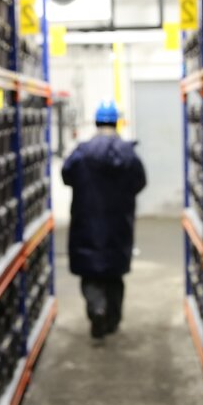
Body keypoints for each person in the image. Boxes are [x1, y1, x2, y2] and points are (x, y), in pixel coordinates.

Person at [61, 100, 146, 339]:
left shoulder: (82, 152)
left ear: (97, 122)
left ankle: (96, 308)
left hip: (86, 223)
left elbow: (67, 176)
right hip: (118, 224)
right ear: (116, 122)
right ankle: (112, 320)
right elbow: (140, 182)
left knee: (90, 275)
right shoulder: (128, 153)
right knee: (114, 276)